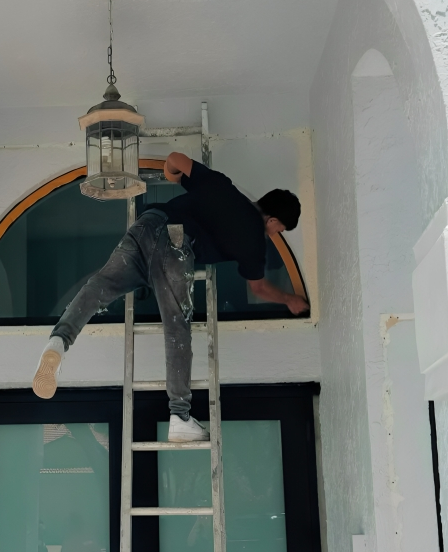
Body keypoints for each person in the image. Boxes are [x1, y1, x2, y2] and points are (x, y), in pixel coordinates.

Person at [32, 153, 309, 441]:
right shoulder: (255, 240)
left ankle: (59, 342)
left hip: (146, 225)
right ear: (272, 219)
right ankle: (179, 416)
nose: (274, 235)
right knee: (177, 328)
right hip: (175, 245)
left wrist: (171, 175)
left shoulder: (221, 185)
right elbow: (259, 288)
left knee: (100, 286)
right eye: (279, 230)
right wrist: (290, 300)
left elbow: (175, 159)